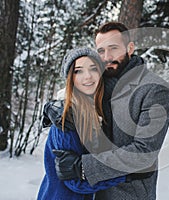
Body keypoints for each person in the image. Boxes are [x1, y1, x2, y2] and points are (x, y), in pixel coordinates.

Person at [51, 22, 169, 200]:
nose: (107, 57)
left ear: (130, 48)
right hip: (91, 193)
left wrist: (84, 168)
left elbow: (144, 152)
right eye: (101, 50)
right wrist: (55, 107)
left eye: (113, 48)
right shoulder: (98, 82)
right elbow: (74, 89)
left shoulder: (154, 89)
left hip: (128, 194)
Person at [37, 47, 126, 200]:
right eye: (78, 71)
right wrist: (125, 172)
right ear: (70, 78)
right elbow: (75, 181)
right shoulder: (66, 118)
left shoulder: (92, 112)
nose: (88, 77)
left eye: (93, 69)